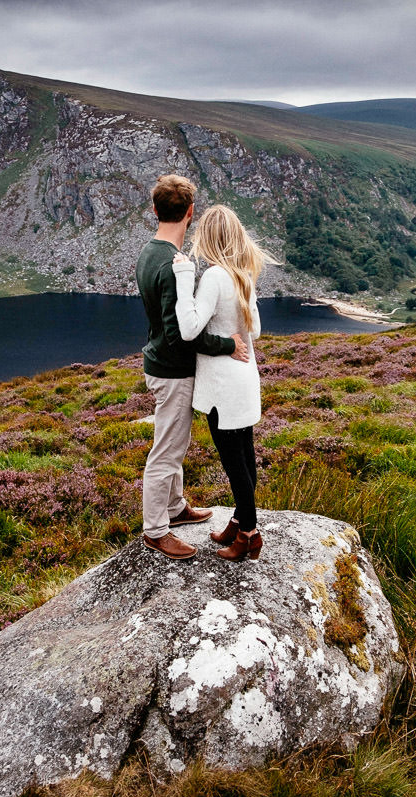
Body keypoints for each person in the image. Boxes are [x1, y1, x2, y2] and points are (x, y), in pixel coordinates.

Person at [136, 175, 250, 560]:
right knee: (167, 450)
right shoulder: (172, 265)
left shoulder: (148, 253)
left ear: (155, 210)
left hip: (161, 365)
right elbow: (179, 334)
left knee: (175, 443)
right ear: (190, 212)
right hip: (172, 371)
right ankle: (155, 530)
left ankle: (175, 507)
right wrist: (227, 344)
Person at [171, 205, 270, 561]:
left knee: (235, 463)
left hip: (223, 389)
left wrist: (184, 279)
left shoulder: (213, 276)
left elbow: (189, 329)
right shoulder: (244, 274)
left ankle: (249, 536)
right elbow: (255, 330)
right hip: (245, 381)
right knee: (245, 456)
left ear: (209, 238)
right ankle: (241, 520)